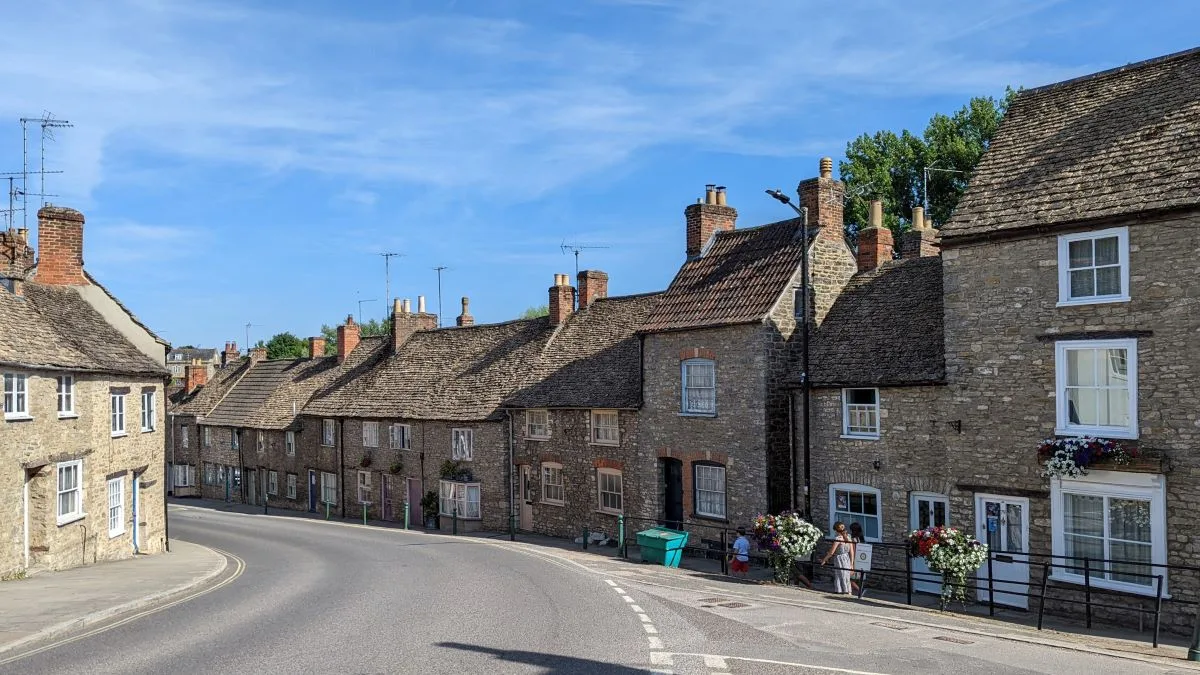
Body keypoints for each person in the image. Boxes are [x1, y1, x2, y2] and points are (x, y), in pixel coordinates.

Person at [819, 521, 855, 595]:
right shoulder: (849, 538)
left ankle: (840, 590)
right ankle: (848, 591)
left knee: (840, 574)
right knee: (846, 575)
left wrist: (824, 560)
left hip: (839, 558)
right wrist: (851, 564)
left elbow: (831, 553)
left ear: (835, 530)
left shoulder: (838, 539)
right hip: (847, 558)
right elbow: (851, 552)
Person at [848, 522, 865, 596]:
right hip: (860, 558)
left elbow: (853, 551)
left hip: (854, 558)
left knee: (848, 577)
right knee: (857, 577)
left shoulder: (853, 539)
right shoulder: (861, 538)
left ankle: (860, 590)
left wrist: (852, 562)